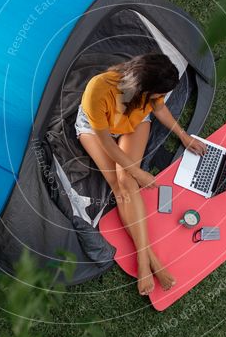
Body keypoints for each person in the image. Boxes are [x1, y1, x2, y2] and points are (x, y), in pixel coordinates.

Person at [75, 53, 207, 296]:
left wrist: (184, 136)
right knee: (120, 185)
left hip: (132, 122)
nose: (159, 99)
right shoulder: (99, 89)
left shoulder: (147, 92)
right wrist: (137, 171)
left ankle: (145, 260)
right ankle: (149, 261)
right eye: (157, 94)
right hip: (97, 131)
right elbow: (107, 144)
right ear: (141, 89)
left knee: (126, 182)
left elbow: (159, 108)